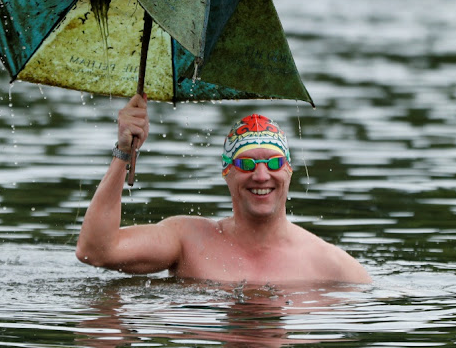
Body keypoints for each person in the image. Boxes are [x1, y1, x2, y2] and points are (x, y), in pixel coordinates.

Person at [76, 94, 371, 284]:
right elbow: (95, 251)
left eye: (274, 162)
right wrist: (123, 152)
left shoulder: (329, 265)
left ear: (289, 171)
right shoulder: (188, 240)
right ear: (226, 172)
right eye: (246, 164)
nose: (260, 175)